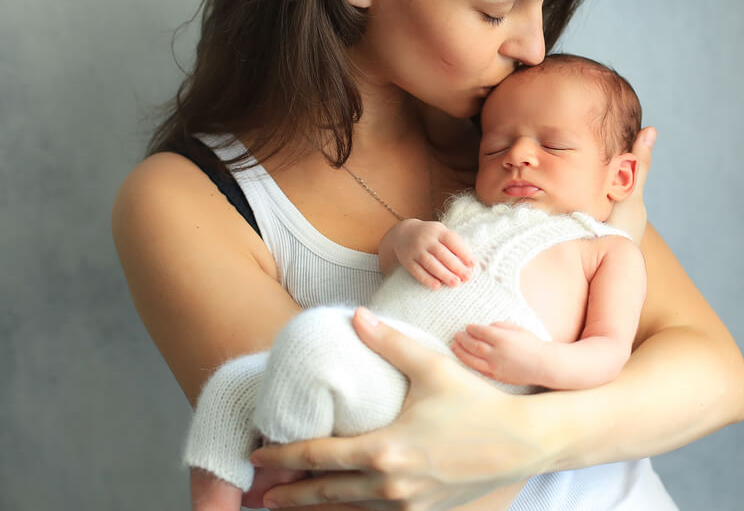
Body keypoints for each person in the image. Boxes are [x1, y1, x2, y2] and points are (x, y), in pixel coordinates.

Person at [112, 0, 744, 509]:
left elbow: (717, 375)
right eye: (497, 10)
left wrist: (525, 436)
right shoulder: (191, 200)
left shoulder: (519, 135)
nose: (533, 48)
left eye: (545, 3)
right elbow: (357, 490)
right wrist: (559, 424)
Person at [185, 57, 651, 511]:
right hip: (385, 365)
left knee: (312, 339)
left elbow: (609, 351)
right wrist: (405, 238)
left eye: (552, 147)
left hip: (447, 405)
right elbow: (393, 264)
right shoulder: (467, 210)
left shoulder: (607, 248)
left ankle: (283, 469)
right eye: (495, 147)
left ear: (621, 175)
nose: (517, 157)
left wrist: (540, 362)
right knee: (233, 384)